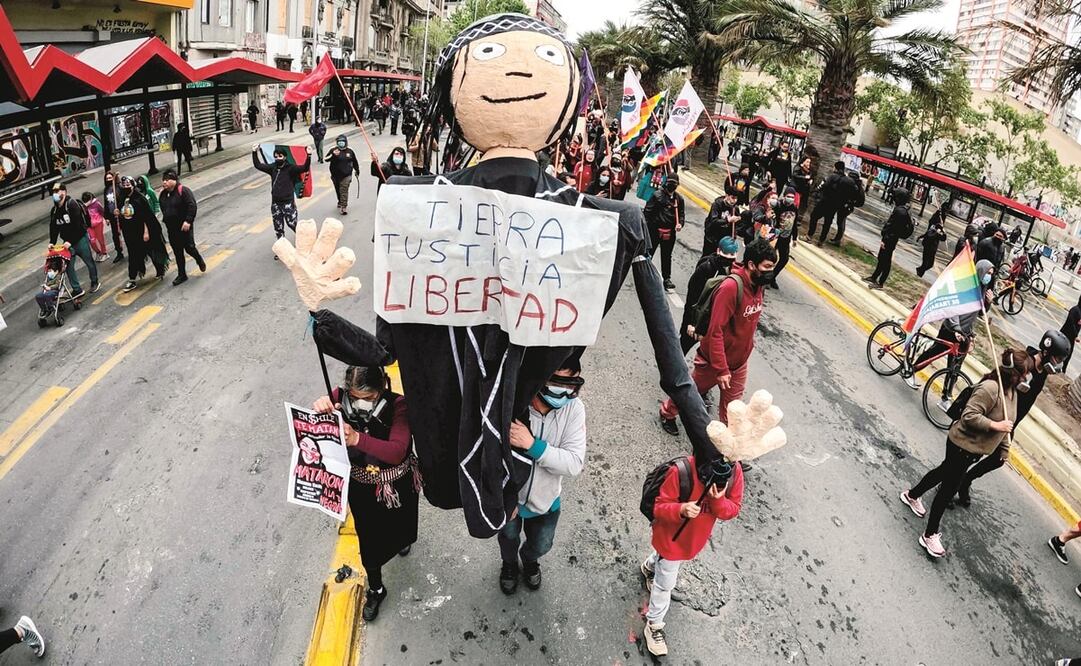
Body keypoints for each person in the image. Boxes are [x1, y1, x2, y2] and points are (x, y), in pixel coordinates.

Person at [313, 365, 419, 622]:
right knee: (369, 542)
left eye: (369, 398)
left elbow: (396, 450)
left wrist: (357, 439)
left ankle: (402, 541)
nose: (360, 403)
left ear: (383, 386)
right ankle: (376, 588)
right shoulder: (338, 396)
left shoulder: (399, 405)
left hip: (398, 485)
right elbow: (317, 421)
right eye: (355, 396)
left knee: (402, 526)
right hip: (361, 489)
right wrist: (320, 407)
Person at [899, 348, 1026, 557]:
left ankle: (911, 495)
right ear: (1014, 373)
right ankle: (929, 535)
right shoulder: (990, 388)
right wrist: (995, 425)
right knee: (948, 488)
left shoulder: (1011, 393)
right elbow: (969, 416)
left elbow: (1008, 425)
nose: (1027, 378)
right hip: (962, 445)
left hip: (974, 450)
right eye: (1024, 374)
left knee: (942, 472)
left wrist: (1004, 450)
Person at [660, 238, 777, 434]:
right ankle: (667, 412)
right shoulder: (730, 288)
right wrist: (721, 369)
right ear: (751, 265)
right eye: (766, 267)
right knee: (691, 392)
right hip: (714, 362)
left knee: (733, 412)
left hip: (739, 363)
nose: (770, 272)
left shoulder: (759, 285)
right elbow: (715, 332)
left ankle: (727, 452)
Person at [498, 359, 587, 594]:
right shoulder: (514, 403)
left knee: (542, 544)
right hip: (510, 501)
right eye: (558, 381)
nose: (564, 390)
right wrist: (505, 497)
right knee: (507, 540)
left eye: (571, 383)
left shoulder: (574, 409)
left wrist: (532, 445)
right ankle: (509, 565)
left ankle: (529, 561)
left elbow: (574, 463)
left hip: (547, 501)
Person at [641, 456, 743, 657]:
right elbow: (658, 507)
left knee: (663, 565)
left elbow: (733, 508)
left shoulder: (734, 471)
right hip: (670, 538)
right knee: (665, 585)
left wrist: (718, 500)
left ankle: (650, 567)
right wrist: (681, 509)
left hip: (693, 539)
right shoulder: (681, 471)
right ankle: (654, 624)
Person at [954, 330, 1071, 506]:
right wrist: (995, 422)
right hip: (997, 415)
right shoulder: (1026, 365)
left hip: (1011, 422)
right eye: (1057, 359)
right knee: (971, 454)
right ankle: (949, 485)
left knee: (998, 459)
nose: (1058, 364)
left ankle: (966, 480)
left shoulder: (1042, 371)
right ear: (1046, 352)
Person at [908, 260, 994, 398]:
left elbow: (979, 313)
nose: (988, 276)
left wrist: (987, 303)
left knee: (955, 368)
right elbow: (953, 311)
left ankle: (946, 396)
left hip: (965, 335)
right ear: (980, 271)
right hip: (950, 330)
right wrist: (956, 329)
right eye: (987, 273)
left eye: (991, 274)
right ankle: (911, 370)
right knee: (934, 353)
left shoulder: (982, 290)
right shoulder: (966, 287)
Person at [680, 236, 739, 355]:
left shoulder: (734, 270)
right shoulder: (706, 268)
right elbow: (692, 297)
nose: (728, 258)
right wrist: (691, 322)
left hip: (716, 319)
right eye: (725, 254)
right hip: (700, 317)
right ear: (718, 251)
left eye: (732, 254)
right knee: (683, 346)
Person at [116, 174, 169, 292]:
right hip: (130, 234)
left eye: (128, 185)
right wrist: (118, 213)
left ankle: (160, 269)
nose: (125, 187)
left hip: (143, 231)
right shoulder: (122, 199)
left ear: (133, 185)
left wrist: (146, 232)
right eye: (123, 185)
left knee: (152, 250)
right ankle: (132, 279)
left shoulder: (140, 198)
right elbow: (124, 215)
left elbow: (146, 217)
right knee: (134, 255)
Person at [252, 144, 311, 246]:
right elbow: (258, 165)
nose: (277, 158)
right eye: (275, 156)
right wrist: (254, 152)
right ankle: (282, 247)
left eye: (280, 156)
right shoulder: (272, 168)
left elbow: (305, 168)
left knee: (292, 223)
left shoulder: (291, 168)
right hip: (275, 204)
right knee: (278, 227)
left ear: (284, 157)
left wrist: (308, 155)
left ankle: (304, 240)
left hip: (288, 203)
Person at [49, 182, 98, 296]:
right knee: (68, 267)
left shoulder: (72, 205)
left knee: (89, 262)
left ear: (64, 192)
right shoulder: (55, 210)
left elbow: (78, 226)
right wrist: (52, 242)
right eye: (54, 192)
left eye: (57, 191)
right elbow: (54, 227)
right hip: (67, 244)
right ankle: (77, 289)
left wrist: (70, 241)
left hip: (80, 239)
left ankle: (94, 281)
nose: (55, 194)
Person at [159, 170, 206, 286]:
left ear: (174, 180)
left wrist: (188, 221)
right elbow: (163, 207)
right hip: (172, 228)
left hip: (184, 226)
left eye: (167, 180)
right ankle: (182, 274)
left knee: (189, 248)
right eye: (163, 180)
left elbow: (192, 205)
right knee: (177, 251)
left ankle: (199, 259)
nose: (164, 182)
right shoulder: (163, 194)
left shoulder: (183, 191)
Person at [865, 188, 912, 290]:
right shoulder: (901, 209)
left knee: (886, 261)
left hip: (890, 239)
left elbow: (893, 228)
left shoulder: (900, 212)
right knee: (881, 258)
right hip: (889, 238)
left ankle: (881, 282)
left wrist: (885, 239)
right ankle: (874, 277)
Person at [644, 174, 685, 291]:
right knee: (649, 252)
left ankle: (666, 278)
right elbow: (647, 212)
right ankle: (645, 274)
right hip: (655, 230)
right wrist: (648, 228)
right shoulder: (657, 196)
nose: (672, 185)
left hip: (670, 232)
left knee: (667, 255)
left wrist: (680, 224)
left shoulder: (679, 199)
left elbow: (681, 214)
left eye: (675, 183)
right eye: (670, 182)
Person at [805, 160, 847, 240]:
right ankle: (821, 240)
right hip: (835, 205)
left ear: (836, 168)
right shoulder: (845, 180)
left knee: (814, 216)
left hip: (824, 201)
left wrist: (815, 192)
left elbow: (823, 186)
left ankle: (809, 236)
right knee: (827, 223)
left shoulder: (831, 176)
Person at [702, 192, 741, 258]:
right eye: (732, 198)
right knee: (706, 256)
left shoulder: (735, 209)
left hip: (723, 239)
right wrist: (727, 220)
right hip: (712, 237)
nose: (734, 201)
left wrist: (733, 236)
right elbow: (714, 221)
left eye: (736, 198)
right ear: (727, 195)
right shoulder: (717, 205)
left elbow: (734, 226)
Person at [328, 137, 361, 215]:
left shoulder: (350, 151)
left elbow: (355, 162)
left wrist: (357, 170)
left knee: (344, 190)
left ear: (346, 142)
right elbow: (326, 159)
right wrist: (333, 155)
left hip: (346, 175)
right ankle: (340, 201)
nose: (341, 143)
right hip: (335, 175)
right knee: (338, 190)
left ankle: (344, 206)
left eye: (342, 141)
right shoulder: (333, 150)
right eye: (339, 141)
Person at [915, 207, 948, 277]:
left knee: (930, 264)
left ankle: (919, 270)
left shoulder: (938, 227)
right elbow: (929, 234)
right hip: (928, 246)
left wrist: (944, 232)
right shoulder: (934, 227)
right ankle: (919, 274)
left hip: (933, 249)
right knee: (925, 263)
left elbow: (943, 238)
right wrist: (938, 232)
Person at [103, 171, 125, 263]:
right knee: (115, 235)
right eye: (107, 178)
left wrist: (120, 210)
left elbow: (123, 200)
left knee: (127, 232)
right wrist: (106, 217)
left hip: (121, 215)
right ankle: (119, 252)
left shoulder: (119, 188)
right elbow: (106, 204)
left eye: (110, 178)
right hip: (112, 216)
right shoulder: (106, 190)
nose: (108, 180)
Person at [81, 191, 109, 261]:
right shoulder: (83, 207)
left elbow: (102, 211)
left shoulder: (96, 204)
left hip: (98, 224)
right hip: (89, 226)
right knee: (92, 241)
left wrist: (106, 219)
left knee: (100, 239)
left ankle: (104, 253)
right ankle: (98, 252)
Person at [1060, 295, 1081, 373]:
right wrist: (1075, 335)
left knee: (1068, 355)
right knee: (1059, 351)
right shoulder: (1075, 310)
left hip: (1071, 338)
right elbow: (1070, 322)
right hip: (1064, 335)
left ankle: (1063, 371)